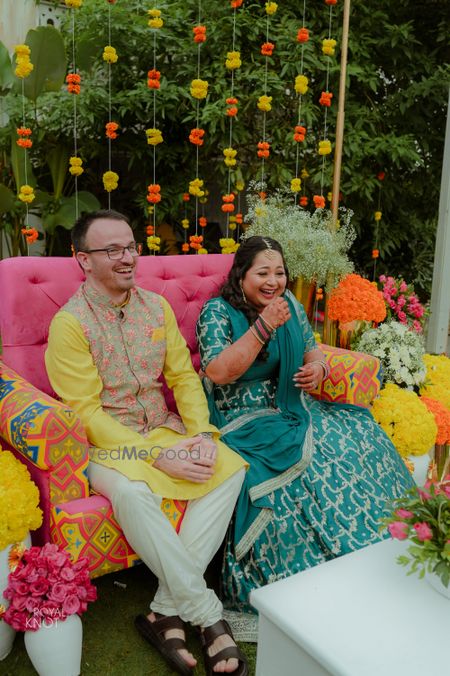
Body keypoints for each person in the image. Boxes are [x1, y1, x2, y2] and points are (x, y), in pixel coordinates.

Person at [45, 210, 248, 676]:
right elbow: (86, 414)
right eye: (111, 250)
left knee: (229, 469)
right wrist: (158, 455)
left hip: (163, 426)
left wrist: (199, 436)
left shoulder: (155, 307)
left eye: (131, 246)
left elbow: (182, 376)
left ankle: (162, 608)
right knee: (134, 493)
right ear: (83, 260)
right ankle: (208, 615)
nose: (126, 257)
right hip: (107, 445)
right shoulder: (70, 325)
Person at [196, 235, 415, 623]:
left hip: (294, 405)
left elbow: (313, 350)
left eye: (279, 272)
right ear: (241, 275)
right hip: (242, 418)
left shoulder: (289, 306)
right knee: (311, 465)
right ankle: (307, 581)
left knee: (359, 435)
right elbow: (218, 372)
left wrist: (319, 369)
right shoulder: (217, 311)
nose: (273, 281)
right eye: (262, 272)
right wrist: (263, 325)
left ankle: (382, 554)